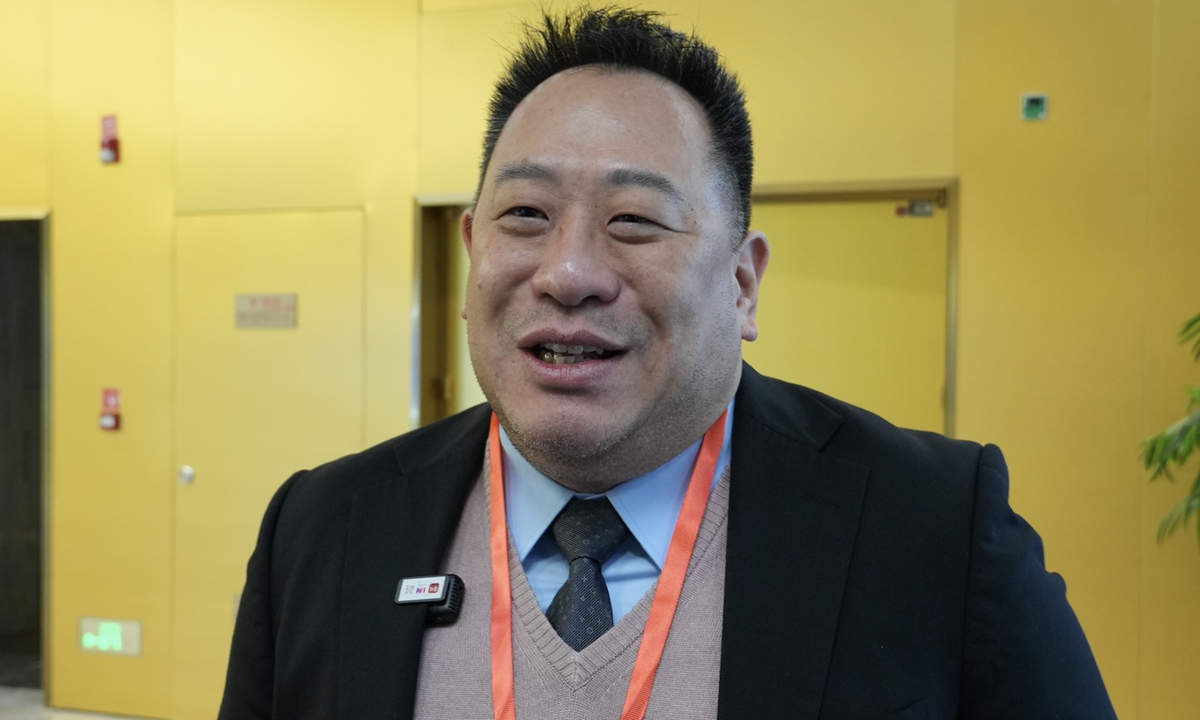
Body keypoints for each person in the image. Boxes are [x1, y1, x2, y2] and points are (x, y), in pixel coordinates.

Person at [218, 8, 1117, 720]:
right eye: (526, 214)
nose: (567, 273)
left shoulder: (934, 529)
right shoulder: (323, 529)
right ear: (470, 254)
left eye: (635, 221)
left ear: (742, 281)